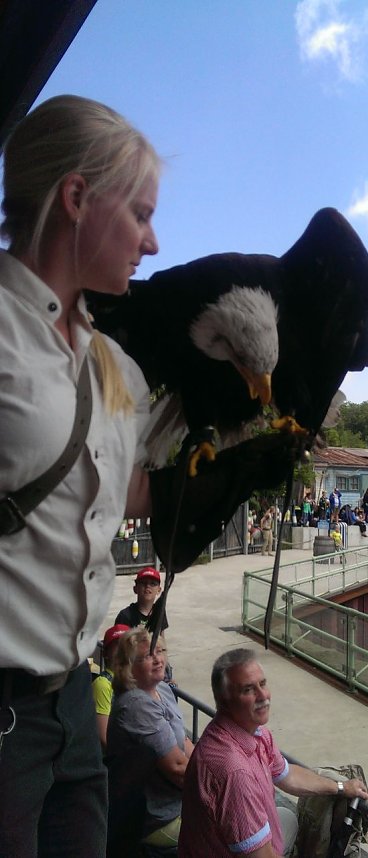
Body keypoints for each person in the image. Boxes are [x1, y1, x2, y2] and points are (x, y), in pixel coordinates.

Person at [0, 94, 160, 858]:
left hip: (71, 700)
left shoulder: (115, 366)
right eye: (140, 213)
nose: (152, 241)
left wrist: (252, 447)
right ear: (75, 197)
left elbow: (131, 495)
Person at [178, 648, 368, 857]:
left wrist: (340, 787)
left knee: (287, 818)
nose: (263, 696)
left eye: (263, 684)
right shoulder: (234, 772)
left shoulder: (254, 732)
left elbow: (288, 776)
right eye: (248, 689)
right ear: (224, 701)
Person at [107, 627, 194, 851]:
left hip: (182, 805)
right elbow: (177, 769)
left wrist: (216, 768)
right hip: (159, 819)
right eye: (147, 656)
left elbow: (185, 743)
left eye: (160, 651)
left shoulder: (162, 689)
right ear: (128, 666)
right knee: (233, 834)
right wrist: (222, 788)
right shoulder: (136, 704)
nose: (158, 659)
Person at [92, 624, 130, 752]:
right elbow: (104, 738)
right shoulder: (103, 683)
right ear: (106, 653)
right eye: (117, 646)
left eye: (127, 645)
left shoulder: (137, 678)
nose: (123, 651)